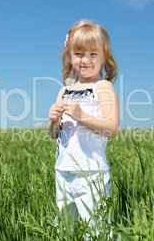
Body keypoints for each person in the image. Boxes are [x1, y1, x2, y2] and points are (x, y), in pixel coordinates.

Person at [47, 19, 119, 235]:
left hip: (91, 172)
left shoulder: (103, 87)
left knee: (96, 229)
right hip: (63, 170)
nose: (85, 60)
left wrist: (81, 115)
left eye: (93, 54)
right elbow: (54, 134)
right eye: (79, 54)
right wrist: (52, 120)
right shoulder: (64, 90)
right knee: (63, 228)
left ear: (104, 57)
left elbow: (111, 128)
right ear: (69, 56)